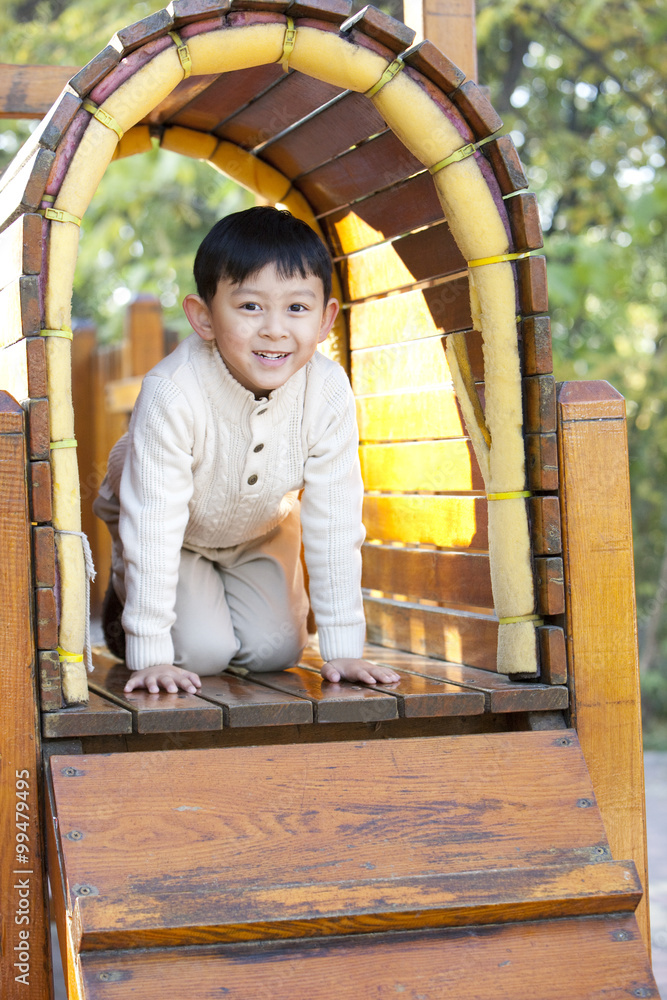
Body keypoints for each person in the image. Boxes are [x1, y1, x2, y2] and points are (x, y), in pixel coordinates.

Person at [93, 206, 400, 695]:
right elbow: (154, 521)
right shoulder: (173, 391)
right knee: (200, 655)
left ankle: (235, 593)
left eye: (297, 309)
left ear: (325, 320)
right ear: (204, 317)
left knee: (275, 652)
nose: (275, 329)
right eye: (250, 306)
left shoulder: (328, 391)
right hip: (170, 526)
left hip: (259, 526)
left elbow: (337, 518)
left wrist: (344, 649)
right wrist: (149, 651)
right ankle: (123, 595)